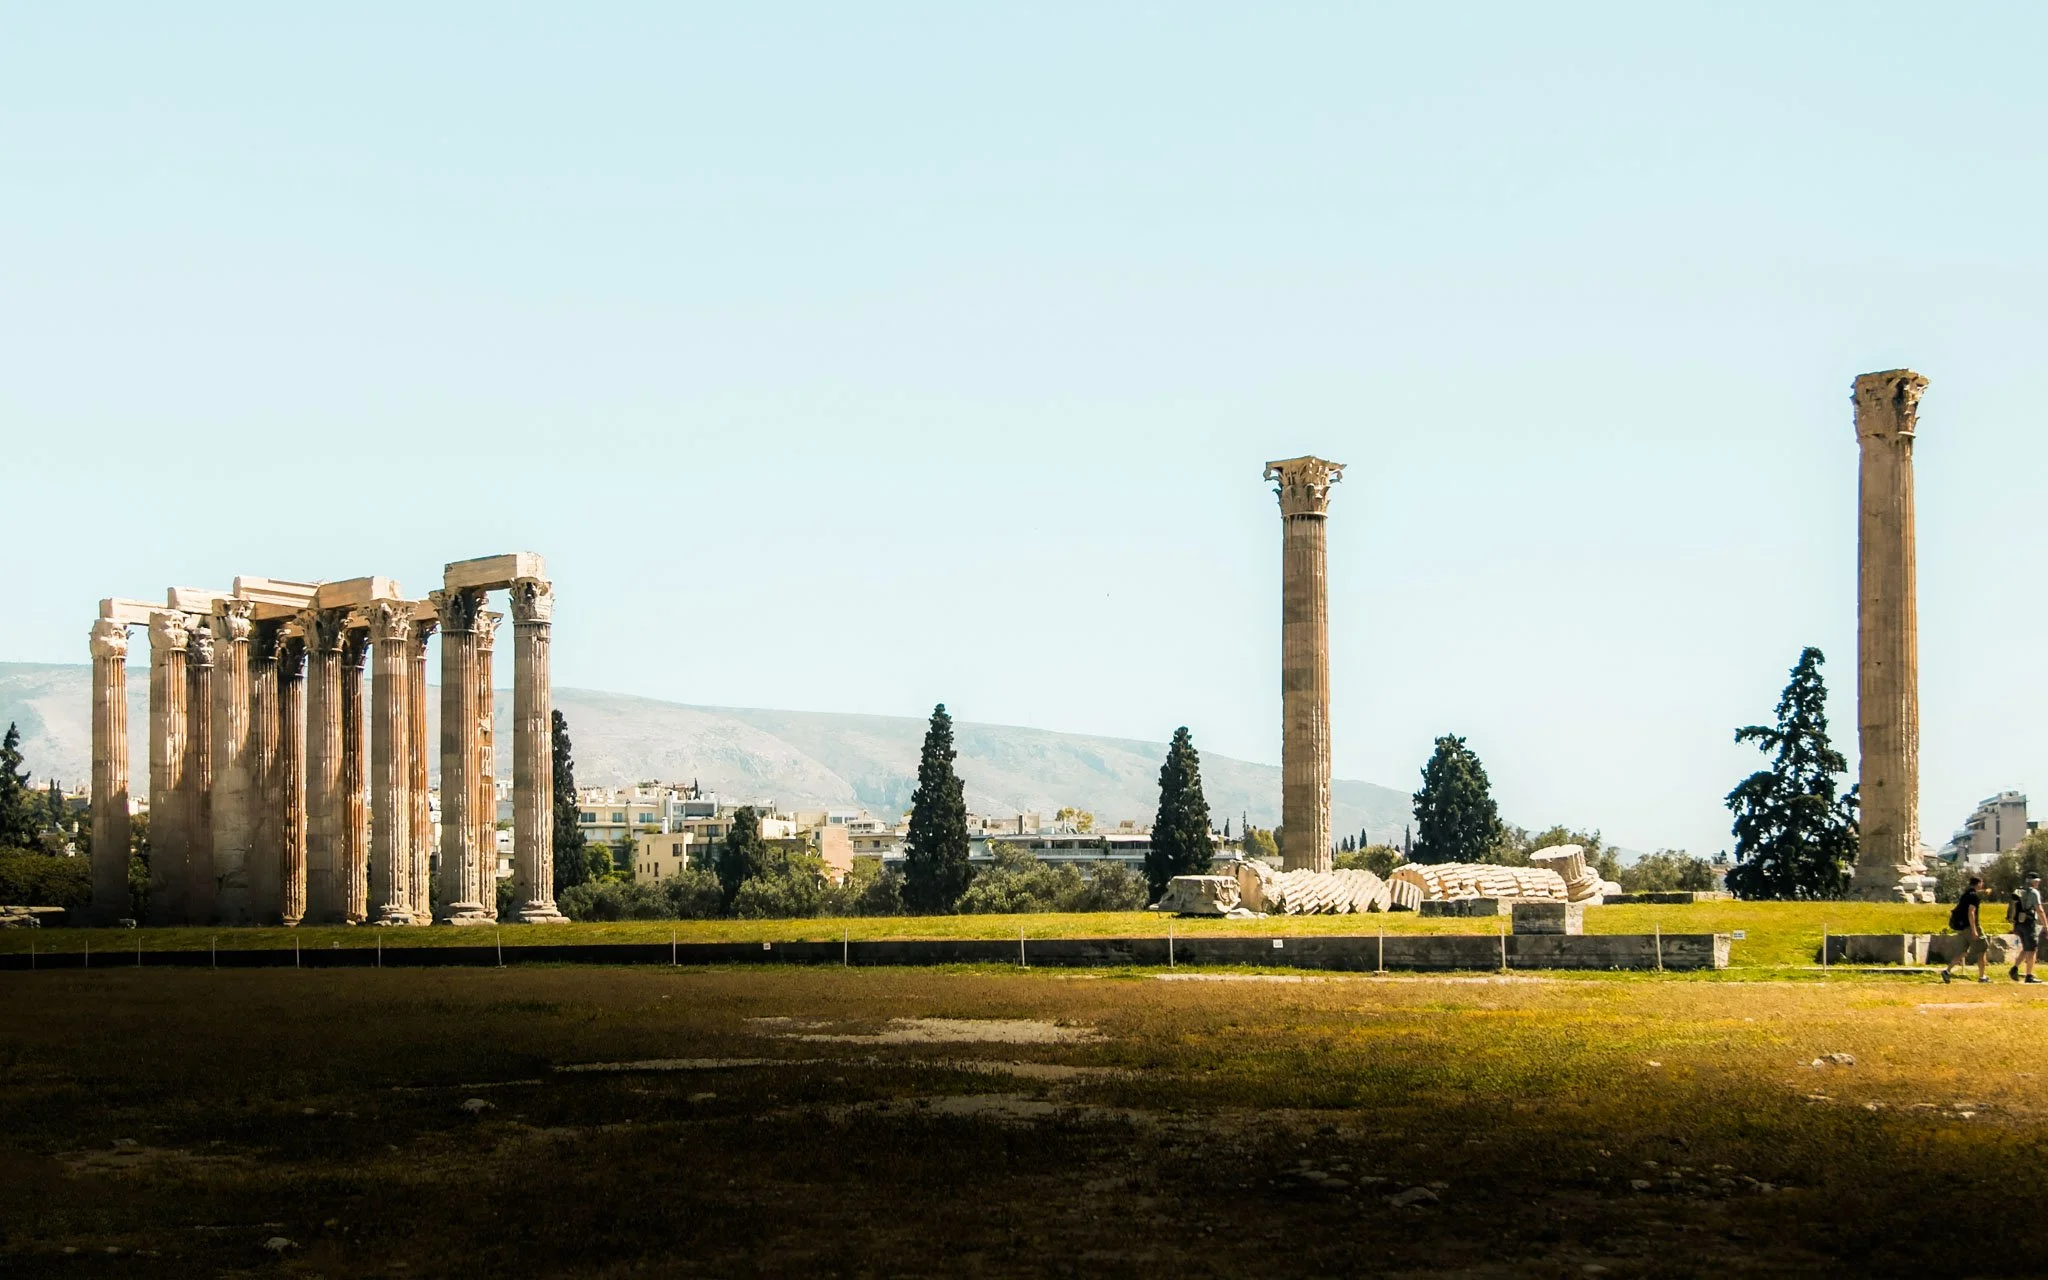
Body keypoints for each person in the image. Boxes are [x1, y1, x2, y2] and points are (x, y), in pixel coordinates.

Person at [1942, 874, 1991, 984]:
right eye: (1981, 883)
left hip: (1962, 927)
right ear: (1978, 883)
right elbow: (1971, 912)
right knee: (1982, 949)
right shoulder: (1974, 897)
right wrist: (1974, 930)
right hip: (1971, 926)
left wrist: (1984, 892)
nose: (1982, 885)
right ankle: (1982, 976)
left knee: (1962, 952)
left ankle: (1947, 971)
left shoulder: (1965, 895)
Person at [2010, 873, 2046, 984]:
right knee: (2032, 949)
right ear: (2032, 881)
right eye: (2036, 881)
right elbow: (2039, 909)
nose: (2038, 883)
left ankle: (2015, 968)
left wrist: (2013, 924)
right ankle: (2029, 975)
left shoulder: (2018, 891)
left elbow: (2013, 908)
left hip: (2019, 923)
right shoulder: (2034, 893)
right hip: (2029, 923)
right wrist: (2046, 925)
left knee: (2026, 948)